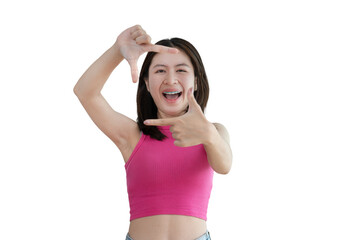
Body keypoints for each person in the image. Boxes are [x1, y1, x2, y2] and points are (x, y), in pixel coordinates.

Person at [73, 25, 232, 240]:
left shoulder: (214, 132)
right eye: (160, 70)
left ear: (196, 81)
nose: (170, 79)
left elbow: (224, 166)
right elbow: (85, 92)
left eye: (181, 70)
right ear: (146, 83)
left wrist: (208, 134)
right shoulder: (132, 135)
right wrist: (117, 49)